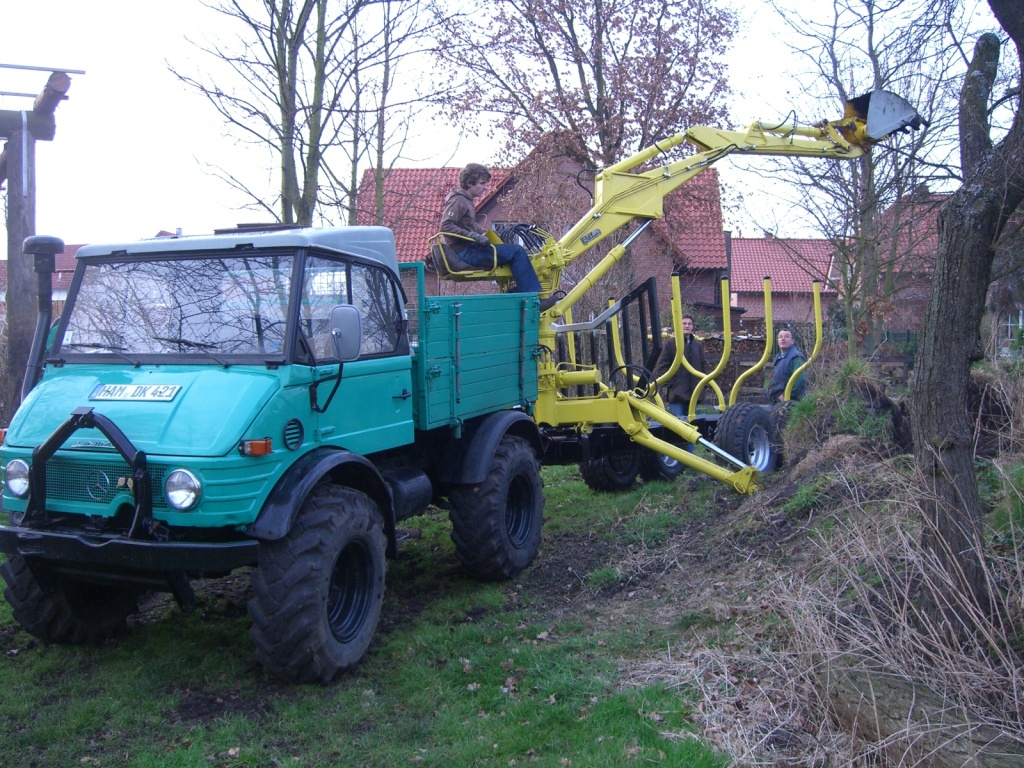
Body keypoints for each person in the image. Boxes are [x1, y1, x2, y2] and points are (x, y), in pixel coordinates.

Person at [440, 163, 555, 310]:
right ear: (469, 183)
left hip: (467, 249)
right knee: (517, 252)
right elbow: (446, 226)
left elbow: (470, 225)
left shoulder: (466, 201)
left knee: (508, 251)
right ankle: (533, 300)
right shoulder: (458, 200)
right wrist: (473, 236)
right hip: (464, 253)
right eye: (482, 183)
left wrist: (488, 234)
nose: (485, 187)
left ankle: (517, 293)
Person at [767, 327, 807, 402]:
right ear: (777, 340)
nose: (783, 339)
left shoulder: (796, 357)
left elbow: (799, 380)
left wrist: (786, 396)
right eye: (780, 337)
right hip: (776, 400)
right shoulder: (779, 356)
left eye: (787, 337)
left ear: (792, 341)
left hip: (790, 403)